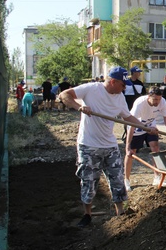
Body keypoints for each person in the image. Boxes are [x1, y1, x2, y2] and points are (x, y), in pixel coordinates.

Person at [58, 66, 158, 227]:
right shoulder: (91, 89)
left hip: (110, 145)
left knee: (117, 180)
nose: (125, 88)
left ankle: (121, 214)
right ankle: (87, 215)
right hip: (89, 145)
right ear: (113, 81)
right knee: (89, 181)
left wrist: (146, 128)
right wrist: (80, 107)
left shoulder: (119, 97)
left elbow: (128, 117)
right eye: (122, 84)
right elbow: (64, 95)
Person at [124, 86, 166, 191]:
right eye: (155, 99)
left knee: (155, 148)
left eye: (159, 99)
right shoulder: (140, 104)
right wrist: (127, 146)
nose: (157, 102)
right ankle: (126, 180)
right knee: (131, 153)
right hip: (137, 127)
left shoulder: (162, 101)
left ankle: (157, 177)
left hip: (151, 126)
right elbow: (131, 124)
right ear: (149, 97)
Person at [122, 66, 147, 142]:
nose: (139, 74)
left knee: (137, 120)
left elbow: (143, 94)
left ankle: (137, 137)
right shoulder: (126, 82)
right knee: (127, 122)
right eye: (138, 72)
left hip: (137, 104)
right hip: (127, 104)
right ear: (133, 73)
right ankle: (128, 136)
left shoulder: (140, 83)